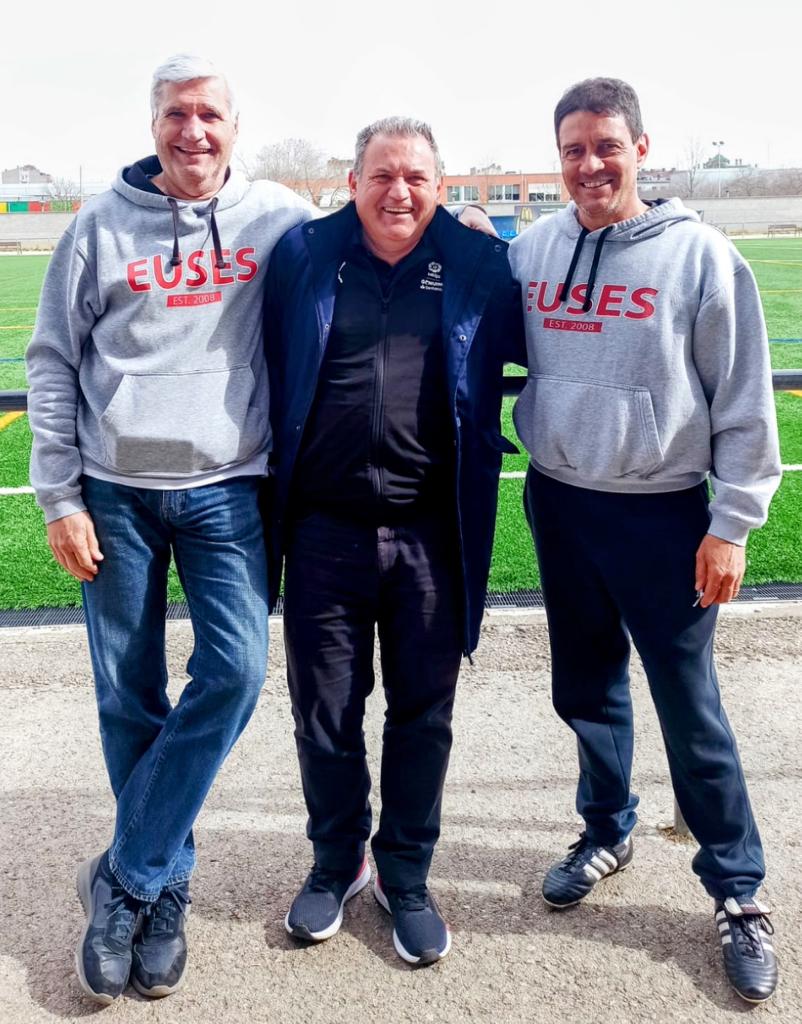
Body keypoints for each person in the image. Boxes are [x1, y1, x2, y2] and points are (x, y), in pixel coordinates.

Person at [25, 54, 315, 1004]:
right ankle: (161, 890)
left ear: (235, 126)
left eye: (209, 115)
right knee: (129, 694)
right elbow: (52, 360)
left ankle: (124, 873)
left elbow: (366, 237)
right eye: (176, 114)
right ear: (153, 124)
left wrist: (464, 233)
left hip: (227, 490)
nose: (194, 131)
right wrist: (59, 498)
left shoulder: (276, 215)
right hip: (114, 493)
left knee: (236, 671)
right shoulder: (96, 227)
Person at [508, 78, 781, 1003]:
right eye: (573, 150)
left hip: (664, 512)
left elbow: (744, 402)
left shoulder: (701, 256)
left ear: (641, 150)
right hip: (560, 499)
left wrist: (730, 524)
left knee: (689, 705)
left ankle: (737, 889)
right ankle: (606, 829)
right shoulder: (534, 248)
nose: (589, 166)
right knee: (585, 686)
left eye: (606, 147)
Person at [264, 116, 524, 965]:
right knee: (324, 714)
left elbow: (551, 343)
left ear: (440, 187)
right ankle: (337, 860)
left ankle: (404, 874)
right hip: (324, 531)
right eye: (381, 175)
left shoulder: (480, 262)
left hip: (432, 533)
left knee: (423, 716)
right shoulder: (305, 255)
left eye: (415, 177)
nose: (398, 192)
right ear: (353, 182)